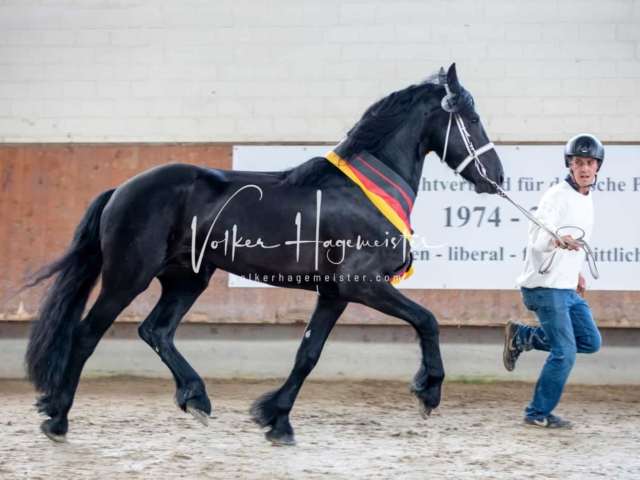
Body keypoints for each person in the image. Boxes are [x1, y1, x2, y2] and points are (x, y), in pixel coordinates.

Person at [503, 133, 604, 429]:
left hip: (565, 286)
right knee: (565, 352)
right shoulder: (556, 195)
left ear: (597, 166)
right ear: (569, 165)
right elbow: (539, 234)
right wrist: (556, 238)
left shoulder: (586, 198)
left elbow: (576, 241)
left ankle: (521, 337)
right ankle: (536, 414)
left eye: (589, 162)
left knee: (590, 341)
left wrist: (577, 273)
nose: (584, 168)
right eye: (577, 162)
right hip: (545, 288)